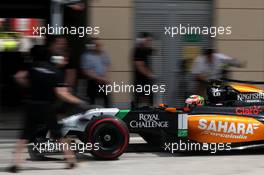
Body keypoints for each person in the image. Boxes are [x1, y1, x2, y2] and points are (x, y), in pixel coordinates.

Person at [7, 37, 88, 173]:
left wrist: (29, 86)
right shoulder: (55, 73)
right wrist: (79, 101)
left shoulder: (33, 67)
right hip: (47, 107)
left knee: (24, 135)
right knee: (58, 134)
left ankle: (15, 164)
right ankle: (71, 161)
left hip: (32, 105)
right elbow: (62, 94)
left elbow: (18, 77)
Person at [81, 38, 111, 107]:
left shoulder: (103, 54)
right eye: (97, 45)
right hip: (92, 83)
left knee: (107, 103)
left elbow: (107, 65)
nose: (99, 46)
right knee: (92, 104)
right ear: (92, 45)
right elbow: (86, 71)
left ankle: (108, 117)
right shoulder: (86, 56)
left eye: (100, 45)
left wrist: (105, 76)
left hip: (103, 82)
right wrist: (99, 78)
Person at [133, 32, 155, 107]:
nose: (149, 43)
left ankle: (150, 112)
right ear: (142, 40)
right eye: (148, 41)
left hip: (146, 80)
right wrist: (150, 74)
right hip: (140, 80)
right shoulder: (138, 51)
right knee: (139, 100)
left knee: (150, 98)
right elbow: (139, 66)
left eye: (150, 41)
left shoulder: (145, 50)